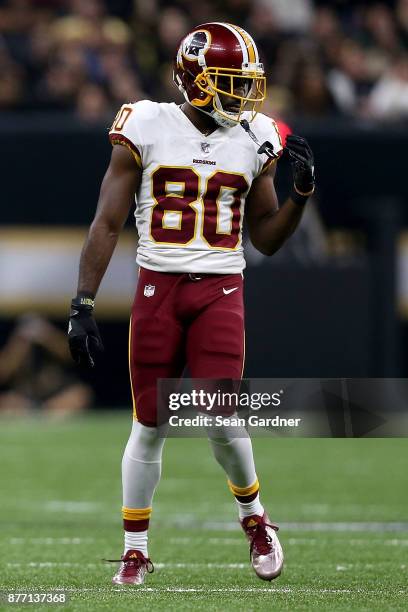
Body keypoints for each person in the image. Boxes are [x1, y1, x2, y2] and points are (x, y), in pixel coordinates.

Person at [68, 22, 315, 585]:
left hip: (222, 289)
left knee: (220, 417)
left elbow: (268, 239)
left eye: (245, 82)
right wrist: (83, 301)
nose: (241, 95)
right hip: (158, 288)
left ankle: (255, 519)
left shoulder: (257, 136)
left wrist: (299, 196)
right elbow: (107, 221)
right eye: (229, 81)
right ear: (193, 79)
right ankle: (134, 549)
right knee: (149, 424)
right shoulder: (147, 123)